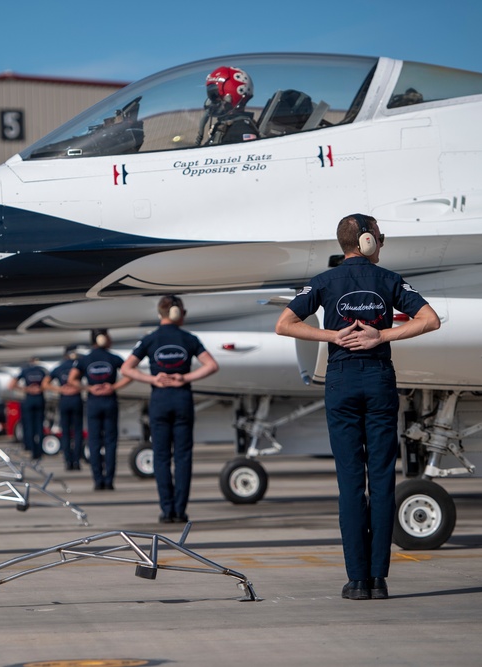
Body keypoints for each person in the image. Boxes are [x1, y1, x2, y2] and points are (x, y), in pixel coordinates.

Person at [274, 213, 441, 601]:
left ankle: (357, 581)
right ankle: (379, 580)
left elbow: (284, 324)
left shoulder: (322, 282)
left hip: (341, 379)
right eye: (380, 237)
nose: (382, 243)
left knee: (350, 483)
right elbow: (430, 320)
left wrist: (332, 335)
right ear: (368, 241)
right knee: (381, 480)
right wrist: (382, 334)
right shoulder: (389, 280)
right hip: (378, 378)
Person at [121, 296, 219, 522]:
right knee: (183, 457)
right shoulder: (189, 338)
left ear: (160, 314)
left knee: (162, 457)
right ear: (178, 314)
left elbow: (127, 369)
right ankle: (180, 510)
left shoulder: (150, 339)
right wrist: (184, 377)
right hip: (182, 399)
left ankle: (167, 511)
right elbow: (212, 365)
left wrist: (152, 379)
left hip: (160, 401)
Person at [70, 330, 131, 490]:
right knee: (110, 443)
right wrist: (114, 387)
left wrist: (89, 387)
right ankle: (109, 481)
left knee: (94, 442)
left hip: (93, 403)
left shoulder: (84, 359)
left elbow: (72, 379)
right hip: (109, 401)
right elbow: (129, 374)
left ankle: (98, 480)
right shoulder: (114, 358)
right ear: (103, 338)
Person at [43, 345, 85, 471]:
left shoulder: (59, 368)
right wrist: (80, 387)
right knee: (77, 432)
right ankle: (77, 461)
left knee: (65, 432)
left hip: (64, 400)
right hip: (76, 399)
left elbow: (45, 384)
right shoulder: (79, 366)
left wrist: (59, 389)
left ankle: (68, 461)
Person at [196, 65, 260, 146]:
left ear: (231, 96)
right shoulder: (225, 127)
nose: (212, 102)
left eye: (215, 95)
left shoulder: (240, 130)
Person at [9, 357, 48, 460]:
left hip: (29, 400)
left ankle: (31, 449)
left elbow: (12, 385)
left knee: (28, 426)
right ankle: (39, 450)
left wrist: (27, 389)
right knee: (39, 426)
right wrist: (39, 389)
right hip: (39, 400)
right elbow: (47, 384)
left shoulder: (24, 370)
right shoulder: (42, 371)